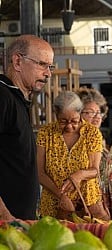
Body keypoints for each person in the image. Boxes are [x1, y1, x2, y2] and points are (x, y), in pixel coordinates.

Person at [0, 35, 54, 220]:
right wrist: (6, 217)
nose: (48, 74)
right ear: (17, 61)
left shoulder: (18, 99)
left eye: (50, 67)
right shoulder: (3, 97)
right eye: (42, 64)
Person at [36, 91, 108, 220]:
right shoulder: (45, 133)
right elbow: (40, 173)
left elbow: (95, 170)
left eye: (74, 121)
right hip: (53, 202)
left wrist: (79, 175)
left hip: (87, 202)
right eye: (63, 121)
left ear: (80, 113)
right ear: (56, 114)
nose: (69, 126)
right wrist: (61, 195)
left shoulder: (92, 133)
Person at [76, 86, 112, 218]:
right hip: (91, 209)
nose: (97, 117)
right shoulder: (74, 144)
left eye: (99, 113)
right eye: (90, 112)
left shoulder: (99, 140)